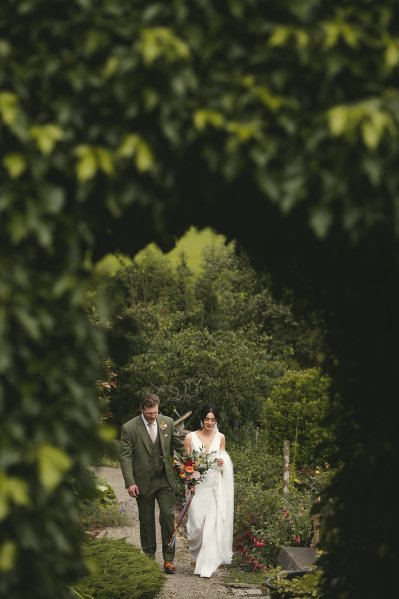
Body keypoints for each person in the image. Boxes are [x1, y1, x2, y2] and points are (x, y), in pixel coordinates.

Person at [119, 393, 184, 574]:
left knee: (167, 516)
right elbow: (125, 456)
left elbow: (180, 445)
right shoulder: (129, 428)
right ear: (142, 409)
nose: (153, 416)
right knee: (146, 520)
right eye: (149, 413)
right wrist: (130, 482)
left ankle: (169, 559)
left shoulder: (168, 422)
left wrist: (195, 463)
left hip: (165, 479)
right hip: (142, 482)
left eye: (155, 412)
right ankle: (148, 559)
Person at [184, 405, 234, 578]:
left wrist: (222, 463)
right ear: (202, 419)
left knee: (211, 526)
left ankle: (205, 565)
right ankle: (197, 555)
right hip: (197, 486)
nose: (210, 422)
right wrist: (190, 482)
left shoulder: (221, 438)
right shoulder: (190, 437)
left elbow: (223, 460)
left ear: (217, 421)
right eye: (207, 419)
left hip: (214, 486)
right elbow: (187, 463)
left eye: (213, 419)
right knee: (196, 525)